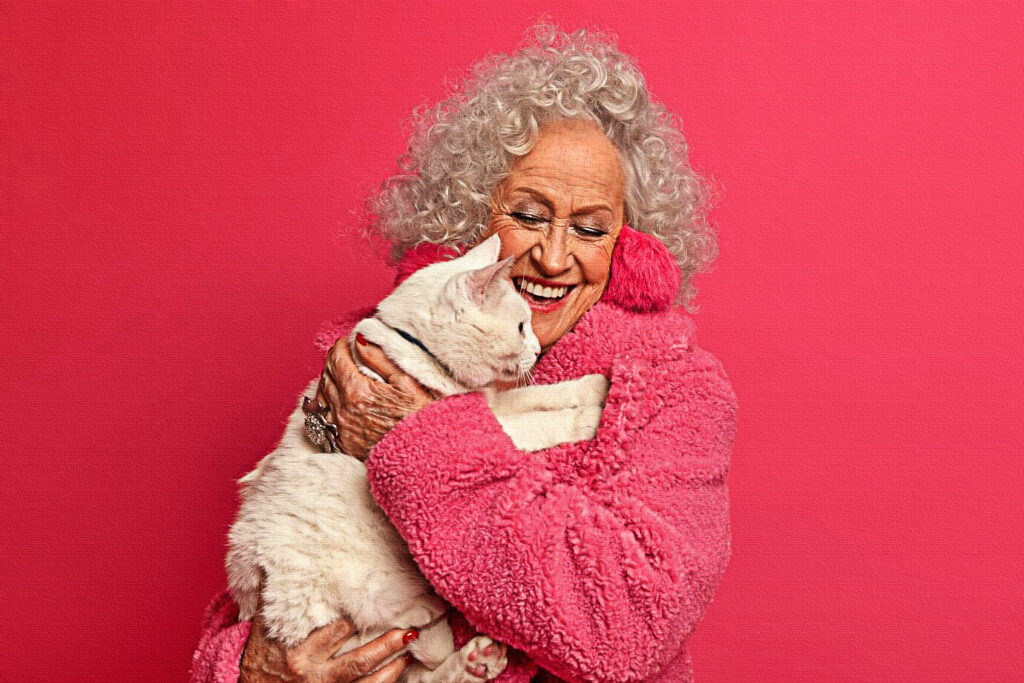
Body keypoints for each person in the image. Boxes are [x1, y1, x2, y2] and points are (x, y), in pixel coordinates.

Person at [190, 23, 736, 683]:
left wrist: (415, 436)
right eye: (529, 215)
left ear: (629, 246)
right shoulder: (369, 362)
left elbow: (624, 626)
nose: (554, 257)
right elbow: (279, 553)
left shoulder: (672, 392)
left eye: (589, 228)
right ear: (473, 218)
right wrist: (252, 669)